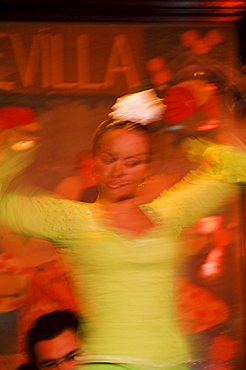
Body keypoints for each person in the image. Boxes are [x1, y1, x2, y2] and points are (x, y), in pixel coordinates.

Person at [0, 89, 245, 370]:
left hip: (174, 362)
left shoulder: (170, 214)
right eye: (109, 159)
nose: (119, 171)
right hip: (109, 362)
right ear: (94, 162)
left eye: (133, 162)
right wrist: (14, 146)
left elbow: (234, 166)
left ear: (146, 168)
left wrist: (208, 100)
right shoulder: (69, 219)